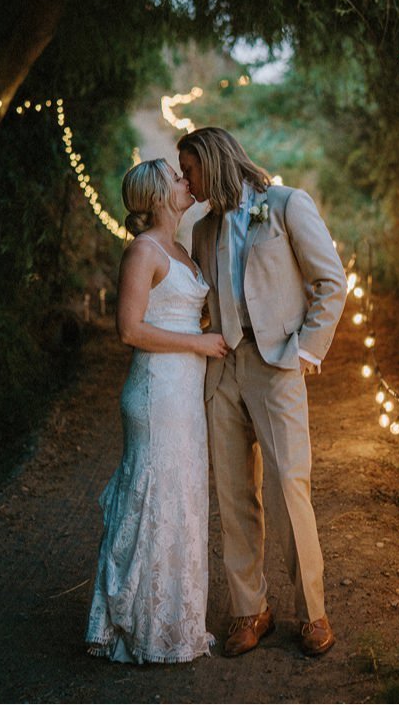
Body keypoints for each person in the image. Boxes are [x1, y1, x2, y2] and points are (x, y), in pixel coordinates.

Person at [178, 127, 347, 657]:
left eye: (190, 170)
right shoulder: (202, 231)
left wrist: (304, 350)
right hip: (224, 369)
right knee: (233, 495)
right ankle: (250, 610)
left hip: (277, 365)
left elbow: (331, 281)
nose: (186, 181)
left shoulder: (286, 205)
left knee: (288, 489)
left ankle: (313, 612)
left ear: (213, 161)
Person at [85, 160, 229, 663]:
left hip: (184, 393)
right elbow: (130, 330)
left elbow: (181, 311)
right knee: (155, 503)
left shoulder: (182, 250)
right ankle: (138, 625)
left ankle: (176, 623)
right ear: (157, 194)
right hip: (156, 393)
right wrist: (198, 342)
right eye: (176, 177)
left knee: (183, 501)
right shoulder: (143, 251)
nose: (186, 182)